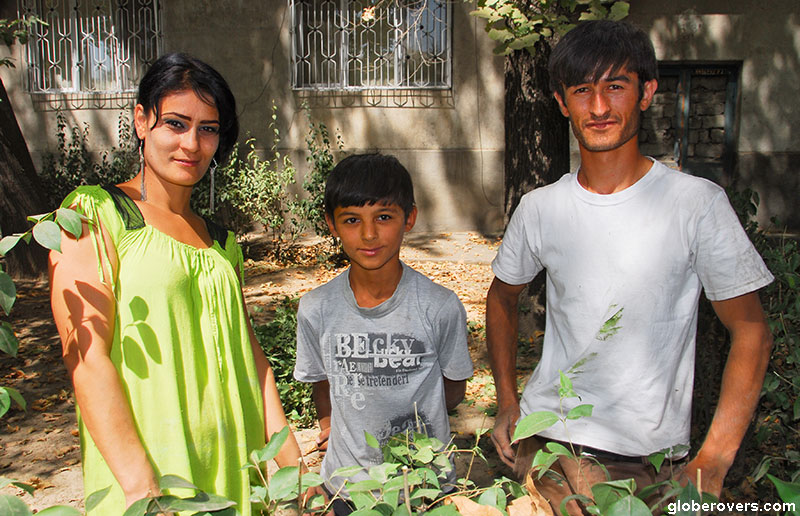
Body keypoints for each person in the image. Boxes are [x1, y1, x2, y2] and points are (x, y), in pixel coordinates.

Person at [486, 20, 774, 514]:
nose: (599, 108)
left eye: (615, 87)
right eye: (582, 91)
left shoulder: (696, 205)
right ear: (562, 103)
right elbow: (501, 296)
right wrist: (508, 401)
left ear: (647, 92)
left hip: (655, 460)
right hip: (554, 446)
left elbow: (752, 332)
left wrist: (714, 459)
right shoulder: (540, 209)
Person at [49, 53, 309, 515]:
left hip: (234, 464)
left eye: (208, 129)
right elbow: (86, 359)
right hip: (150, 474)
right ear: (141, 121)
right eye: (176, 123)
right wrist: (142, 488)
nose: (192, 143)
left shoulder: (222, 242)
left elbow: (251, 360)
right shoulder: (93, 214)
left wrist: (294, 467)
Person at [293, 154, 474, 514]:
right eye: (351, 220)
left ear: (410, 218)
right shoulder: (316, 309)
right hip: (347, 490)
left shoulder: (439, 306)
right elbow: (322, 382)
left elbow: (453, 390)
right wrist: (330, 426)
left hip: (424, 489)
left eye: (384, 217)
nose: (369, 234)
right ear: (331, 224)